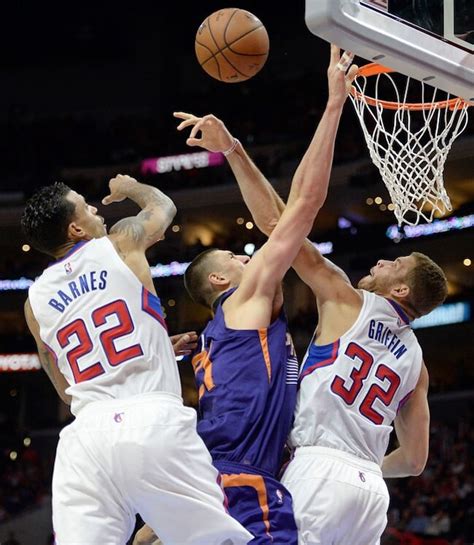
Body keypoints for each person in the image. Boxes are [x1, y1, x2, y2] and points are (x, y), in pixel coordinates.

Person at [168, 48, 448, 544]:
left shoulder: (347, 300)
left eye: (393, 265)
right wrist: (363, 472)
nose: (381, 261)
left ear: (400, 289)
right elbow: (415, 460)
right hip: (369, 496)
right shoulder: (418, 364)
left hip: (316, 470)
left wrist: (235, 149)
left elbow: (283, 222)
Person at [135, 45, 359, 545]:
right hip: (240, 478)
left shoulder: (230, 326)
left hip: (219, 472)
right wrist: (333, 104)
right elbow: (302, 207)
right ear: (219, 282)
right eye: (238, 258)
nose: (249, 258)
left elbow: (277, 223)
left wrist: (233, 148)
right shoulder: (243, 305)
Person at [21, 175, 253, 545]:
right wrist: (129, 187)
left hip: (85, 441)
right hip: (150, 421)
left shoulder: (33, 303)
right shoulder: (120, 242)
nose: (96, 209)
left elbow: (66, 391)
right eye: (86, 205)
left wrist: (155, 345)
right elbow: (163, 207)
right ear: (76, 227)